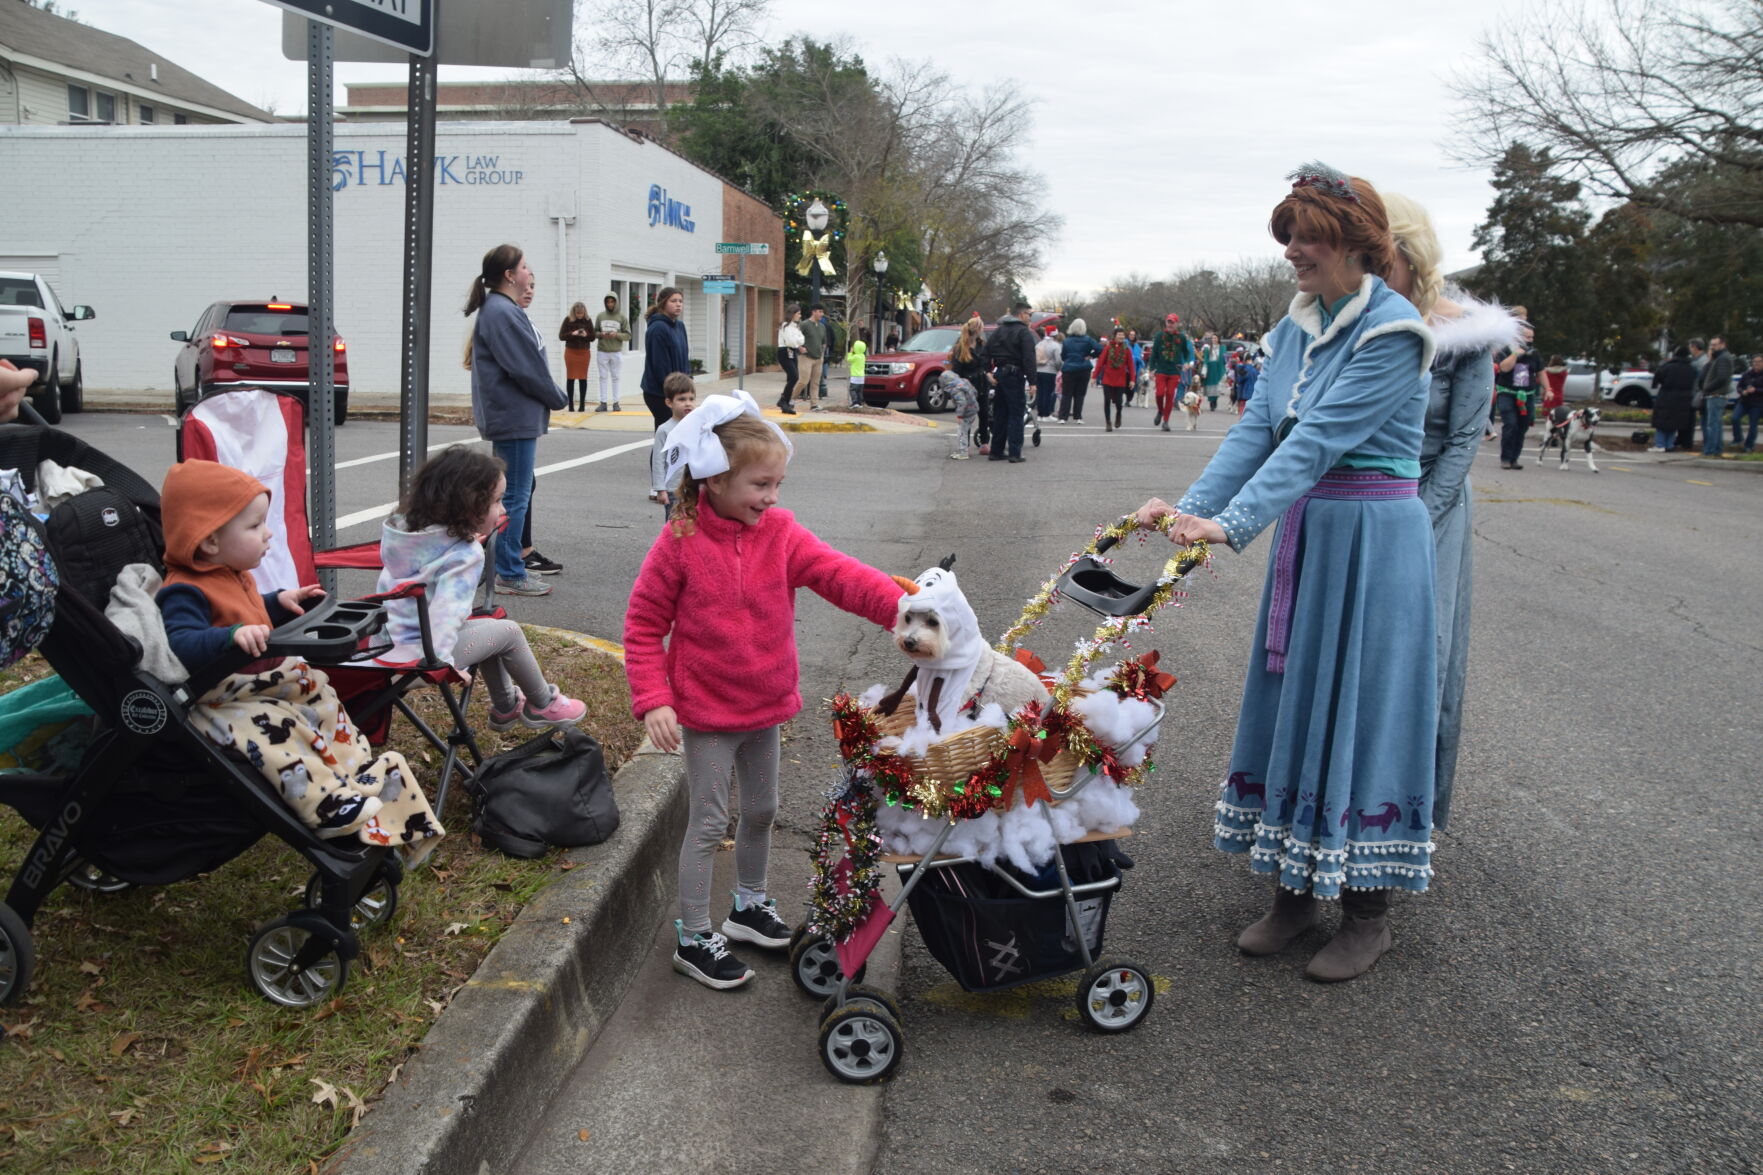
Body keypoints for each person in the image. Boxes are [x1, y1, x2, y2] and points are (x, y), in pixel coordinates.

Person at [1134, 164, 1437, 983]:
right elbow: (1259, 429)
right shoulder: (1297, 321)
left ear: (1353, 243)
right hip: (1312, 525)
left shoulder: (1394, 330)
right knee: (1296, 698)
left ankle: (1367, 913)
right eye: (1288, 237)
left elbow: (1316, 441)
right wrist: (1187, 511)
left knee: (1362, 706)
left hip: (1373, 533)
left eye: (1307, 237)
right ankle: (1294, 892)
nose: (1293, 252)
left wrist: (1230, 525)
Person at [623, 392, 907, 990]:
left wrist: (902, 608)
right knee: (708, 821)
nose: (772, 497)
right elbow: (645, 623)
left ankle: (748, 906)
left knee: (764, 810)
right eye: (760, 484)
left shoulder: (779, 531)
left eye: (777, 483)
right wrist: (655, 698)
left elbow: (837, 573)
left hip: (764, 705)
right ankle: (695, 934)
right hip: (706, 712)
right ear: (716, 479)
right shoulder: (679, 539)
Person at [155, 461, 443, 856]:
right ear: (209, 542)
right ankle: (325, 804)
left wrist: (277, 604)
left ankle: (349, 764)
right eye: (254, 526)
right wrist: (230, 637)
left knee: (316, 687)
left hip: (258, 681)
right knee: (278, 729)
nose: (268, 533)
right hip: (218, 698)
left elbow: (250, 616)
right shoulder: (183, 591)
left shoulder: (235, 574)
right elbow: (179, 643)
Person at [1385, 192, 1523, 841]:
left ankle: (1408, 807)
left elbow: (1465, 440)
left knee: (1425, 653)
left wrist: (1415, 515)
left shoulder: (1466, 336)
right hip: (1369, 494)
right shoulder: (1367, 321)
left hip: (1430, 503)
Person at [379, 447, 587, 730]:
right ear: (469, 506)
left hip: (384, 648)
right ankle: (542, 704)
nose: (503, 510)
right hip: (421, 658)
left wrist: (462, 536)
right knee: (508, 631)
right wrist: (446, 665)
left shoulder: (407, 536)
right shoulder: (464, 557)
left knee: (489, 628)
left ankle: (507, 706)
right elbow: (446, 618)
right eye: (497, 501)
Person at [464, 243, 566, 597]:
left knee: (516, 490)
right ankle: (509, 570)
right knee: (515, 495)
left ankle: (504, 565)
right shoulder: (501, 311)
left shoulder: (500, 309)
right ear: (509, 275)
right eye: (524, 266)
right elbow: (526, 367)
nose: (529, 272)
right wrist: (556, 396)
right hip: (513, 416)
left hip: (515, 415)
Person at [985, 301, 1037, 463]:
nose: (1030, 318)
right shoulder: (1024, 332)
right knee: (1016, 413)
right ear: (1021, 315)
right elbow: (1029, 358)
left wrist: (988, 371)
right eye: (1029, 315)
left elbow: (986, 352)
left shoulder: (999, 331)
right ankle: (1015, 452)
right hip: (1015, 374)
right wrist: (1033, 382)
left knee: (1001, 412)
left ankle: (996, 450)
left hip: (1000, 373)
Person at [1491, 313, 1541, 469]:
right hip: (1508, 392)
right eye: (1527, 337)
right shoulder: (1506, 350)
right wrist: (1515, 354)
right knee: (1510, 424)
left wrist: (1549, 389)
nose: (1530, 341)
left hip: (1527, 394)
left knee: (1522, 426)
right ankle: (1505, 458)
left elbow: (1541, 371)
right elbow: (1504, 368)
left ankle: (1514, 458)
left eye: (1532, 338)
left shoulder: (1534, 353)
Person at [650, 373, 697, 521]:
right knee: (674, 525)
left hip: (694, 488)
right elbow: (658, 461)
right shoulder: (665, 430)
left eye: (691, 399)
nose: (688, 403)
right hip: (673, 489)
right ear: (669, 403)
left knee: (694, 525)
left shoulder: (697, 425)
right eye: (682, 399)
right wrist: (660, 488)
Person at [641, 287, 690, 430]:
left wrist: (688, 385)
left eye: (680, 301)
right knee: (667, 435)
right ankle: (658, 454)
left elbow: (685, 358)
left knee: (673, 436)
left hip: (677, 390)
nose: (678, 304)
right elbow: (660, 367)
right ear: (663, 303)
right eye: (673, 301)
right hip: (659, 393)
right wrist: (674, 394)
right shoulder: (657, 328)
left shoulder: (680, 326)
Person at [947, 318, 993, 450]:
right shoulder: (961, 348)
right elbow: (956, 370)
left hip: (982, 384)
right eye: (981, 328)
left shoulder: (982, 345)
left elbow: (987, 365)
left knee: (984, 413)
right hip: (967, 385)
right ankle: (964, 444)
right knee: (967, 415)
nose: (982, 331)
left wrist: (989, 374)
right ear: (977, 329)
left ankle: (984, 442)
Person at [1148, 314, 1193, 431]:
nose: (1170, 324)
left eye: (1172, 322)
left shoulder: (1181, 338)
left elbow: (1187, 353)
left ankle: (1166, 421)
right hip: (1161, 369)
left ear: (1176, 324)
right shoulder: (1159, 336)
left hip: (1174, 370)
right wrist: (1151, 369)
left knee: (1170, 395)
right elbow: (1154, 354)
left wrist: (1187, 362)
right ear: (1166, 323)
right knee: (1159, 393)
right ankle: (1160, 411)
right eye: (1168, 322)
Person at [1650, 346, 1698, 451]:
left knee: (1662, 421)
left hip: (1666, 396)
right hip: (1684, 398)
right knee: (1674, 422)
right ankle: (1669, 444)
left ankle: (1660, 444)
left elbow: (1657, 379)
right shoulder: (1692, 369)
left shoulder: (1667, 367)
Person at [1092, 327, 1136, 432]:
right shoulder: (1108, 348)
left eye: (1122, 335)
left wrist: (1132, 380)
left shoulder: (1127, 349)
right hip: (1107, 378)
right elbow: (1100, 363)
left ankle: (1118, 414)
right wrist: (1094, 377)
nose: (1121, 336)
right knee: (1107, 401)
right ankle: (1108, 422)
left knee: (1119, 402)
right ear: (1115, 336)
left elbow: (1131, 366)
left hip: (1120, 380)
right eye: (1119, 334)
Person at [1059, 318, 1103, 423]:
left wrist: (1068, 359)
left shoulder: (1067, 341)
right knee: (1080, 394)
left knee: (1067, 394)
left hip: (1069, 368)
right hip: (1083, 368)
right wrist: (1091, 356)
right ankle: (1078, 417)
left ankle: (1063, 417)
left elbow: (1063, 355)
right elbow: (1100, 349)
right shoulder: (1088, 340)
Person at [594, 293, 631, 413]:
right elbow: (594, 333)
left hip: (616, 352)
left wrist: (617, 335)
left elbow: (628, 335)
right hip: (602, 351)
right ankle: (603, 403)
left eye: (612, 301)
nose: (610, 304)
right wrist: (601, 335)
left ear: (616, 302)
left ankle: (616, 403)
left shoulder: (622, 317)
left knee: (616, 378)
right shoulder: (600, 316)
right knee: (602, 377)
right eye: (608, 301)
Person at [1699, 335, 1733, 457]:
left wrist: (1707, 388)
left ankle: (1711, 451)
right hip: (1716, 395)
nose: (1712, 347)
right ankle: (1716, 449)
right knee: (1715, 424)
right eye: (1711, 345)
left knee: (1712, 425)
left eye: (1714, 344)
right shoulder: (1720, 357)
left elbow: (1722, 378)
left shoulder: (1723, 358)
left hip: (1716, 395)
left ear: (1722, 344)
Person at [559, 302, 594, 412]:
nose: (580, 315)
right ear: (574, 312)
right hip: (571, 352)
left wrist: (586, 335)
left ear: (584, 312)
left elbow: (593, 337)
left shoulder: (588, 321)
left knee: (583, 378)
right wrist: (572, 333)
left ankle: (582, 405)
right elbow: (561, 336)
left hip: (584, 353)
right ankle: (570, 405)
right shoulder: (568, 320)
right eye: (578, 313)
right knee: (571, 378)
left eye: (581, 313)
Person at [775, 303, 804, 415]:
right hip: (784, 352)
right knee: (794, 376)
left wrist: (796, 341)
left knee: (792, 378)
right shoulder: (785, 326)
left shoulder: (795, 326)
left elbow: (802, 339)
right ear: (792, 314)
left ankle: (785, 403)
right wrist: (796, 341)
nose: (800, 315)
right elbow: (791, 342)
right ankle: (783, 400)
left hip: (792, 352)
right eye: (798, 313)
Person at [796, 305, 829, 407]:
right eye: (819, 312)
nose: (821, 314)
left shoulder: (822, 326)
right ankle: (789, 399)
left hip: (818, 358)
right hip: (805, 357)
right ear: (813, 312)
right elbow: (795, 338)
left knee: (816, 383)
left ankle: (814, 404)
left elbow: (823, 342)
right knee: (803, 381)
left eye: (822, 312)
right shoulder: (804, 324)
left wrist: (822, 354)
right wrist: (800, 348)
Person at [1734, 353, 1763, 452]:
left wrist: (1756, 390)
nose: (1757, 364)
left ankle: (1749, 445)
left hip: (1757, 404)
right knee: (1735, 418)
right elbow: (1739, 386)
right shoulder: (1747, 374)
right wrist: (1743, 391)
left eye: (1759, 362)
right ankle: (1738, 438)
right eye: (1755, 362)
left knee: (1753, 425)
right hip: (1744, 402)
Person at [1034, 325, 1063, 420]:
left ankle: (1039, 414)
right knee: (1048, 392)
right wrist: (1058, 368)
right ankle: (1046, 414)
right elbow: (1058, 360)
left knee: (1040, 392)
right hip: (1050, 371)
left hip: (1038, 370)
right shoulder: (1055, 346)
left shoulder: (1039, 344)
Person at [1200, 333, 1227, 409]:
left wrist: (1225, 367)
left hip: (1218, 368)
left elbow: (1225, 359)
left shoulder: (1222, 347)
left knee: (1217, 386)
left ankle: (1215, 401)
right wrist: (1204, 370)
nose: (1213, 340)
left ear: (1218, 339)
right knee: (1210, 386)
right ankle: (1211, 402)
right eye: (1212, 338)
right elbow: (1205, 359)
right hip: (1211, 368)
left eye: (1215, 338)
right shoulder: (1208, 348)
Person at [1540, 354, 1569, 421]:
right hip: (1559, 395)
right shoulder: (1564, 372)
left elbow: (1539, 381)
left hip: (1548, 395)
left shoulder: (1546, 372)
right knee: (1558, 415)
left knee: (1548, 416)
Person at [847, 329, 868, 408]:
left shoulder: (855, 356)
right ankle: (859, 402)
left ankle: (855, 402)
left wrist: (850, 352)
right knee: (859, 391)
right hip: (861, 377)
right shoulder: (863, 356)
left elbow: (849, 359)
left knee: (853, 390)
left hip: (855, 376)